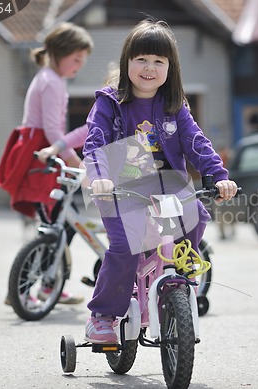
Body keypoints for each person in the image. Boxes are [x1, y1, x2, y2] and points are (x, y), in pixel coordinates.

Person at [82, 17, 238, 344]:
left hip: (166, 191)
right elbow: (94, 142)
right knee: (125, 248)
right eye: (141, 59)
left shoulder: (173, 105)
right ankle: (104, 315)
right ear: (127, 62)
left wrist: (219, 176)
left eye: (158, 61)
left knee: (192, 215)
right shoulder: (110, 102)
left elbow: (196, 142)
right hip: (119, 192)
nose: (149, 67)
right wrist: (99, 178)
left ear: (170, 68)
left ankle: (175, 281)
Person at [0, 22, 94, 305]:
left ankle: (45, 285)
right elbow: (53, 132)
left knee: (56, 224)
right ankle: (31, 290)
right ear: (60, 53)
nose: (78, 66)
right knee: (56, 226)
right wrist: (77, 163)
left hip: (38, 155)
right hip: (44, 157)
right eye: (76, 59)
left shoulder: (47, 78)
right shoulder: (52, 82)